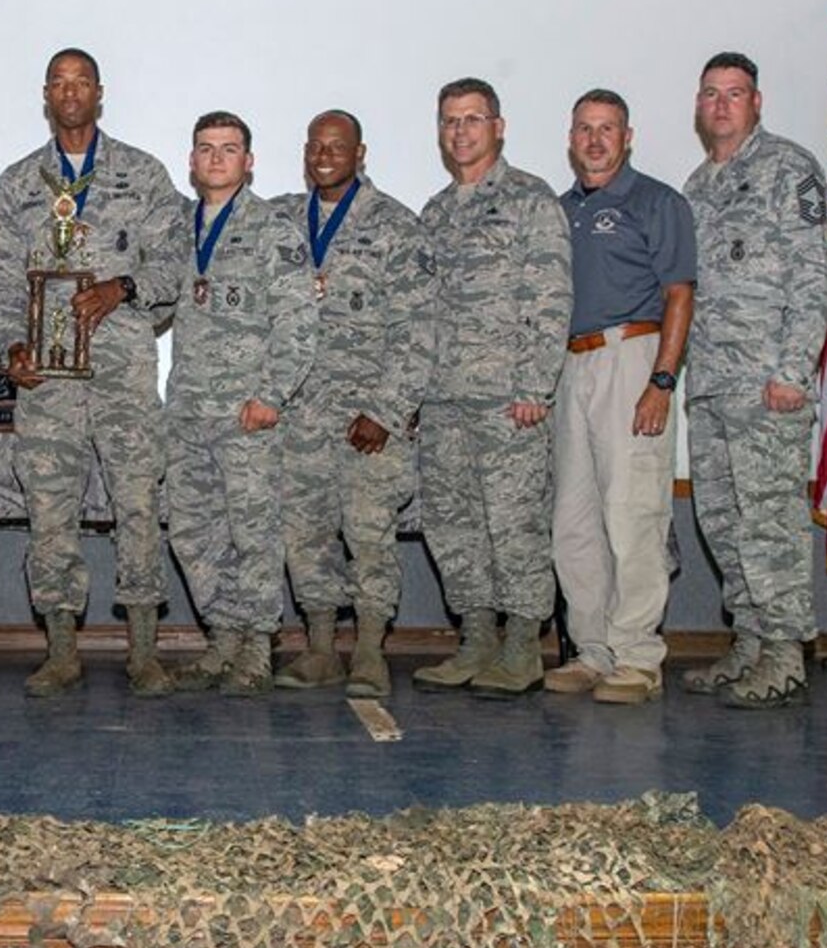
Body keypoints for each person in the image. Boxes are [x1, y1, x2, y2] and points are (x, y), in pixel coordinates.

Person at [0, 49, 183, 697]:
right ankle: (62, 650)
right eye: (59, 83)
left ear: (99, 93)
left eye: (82, 83)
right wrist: (12, 344)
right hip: (48, 382)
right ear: (46, 95)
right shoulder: (18, 182)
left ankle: (145, 651)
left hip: (124, 371)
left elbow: (175, 265)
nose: (70, 93)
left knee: (137, 504)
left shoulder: (143, 174)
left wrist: (120, 286)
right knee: (49, 510)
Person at [411, 81, 571, 700]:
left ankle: (524, 645)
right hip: (444, 398)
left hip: (508, 397)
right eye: (450, 120)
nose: (461, 132)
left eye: (473, 119)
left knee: (513, 523)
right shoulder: (436, 211)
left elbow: (551, 299)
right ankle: (475, 639)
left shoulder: (530, 201)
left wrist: (536, 384)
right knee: (453, 525)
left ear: (498, 127)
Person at [679, 53, 827, 709]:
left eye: (733, 93)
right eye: (710, 93)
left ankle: (785, 651)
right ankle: (749, 638)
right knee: (723, 520)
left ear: (757, 102)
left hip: (768, 383)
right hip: (711, 383)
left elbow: (813, 276)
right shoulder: (697, 186)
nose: (721, 104)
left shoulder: (787, 169)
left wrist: (793, 370)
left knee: (770, 520)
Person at [269, 110, 434, 699]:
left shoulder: (395, 226)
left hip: (368, 421)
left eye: (336, 146)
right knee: (303, 536)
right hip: (298, 417)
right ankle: (320, 649)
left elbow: (419, 329)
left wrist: (388, 412)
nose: (323, 154)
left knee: (368, 536)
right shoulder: (281, 221)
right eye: (314, 144)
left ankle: (368, 650)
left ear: (360, 153)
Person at [546, 89, 696, 705]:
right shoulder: (559, 211)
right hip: (569, 365)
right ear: (571, 137)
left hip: (631, 357)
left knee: (632, 515)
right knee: (573, 521)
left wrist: (661, 381)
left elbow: (679, 296)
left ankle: (636, 657)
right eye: (584, 129)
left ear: (627, 136)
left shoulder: (657, 202)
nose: (595, 140)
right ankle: (592, 650)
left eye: (607, 129)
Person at [164, 112, 318, 695]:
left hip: (246, 411)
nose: (217, 159)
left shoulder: (273, 230)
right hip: (188, 410)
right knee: (193, 531)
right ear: (192, 161)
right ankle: (222, 637)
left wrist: (272, 395)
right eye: (205, 148)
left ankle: (257, 646)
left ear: (249, 162)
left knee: (254, 532)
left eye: (229, 149)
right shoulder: (180, 230)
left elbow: (299, 320)